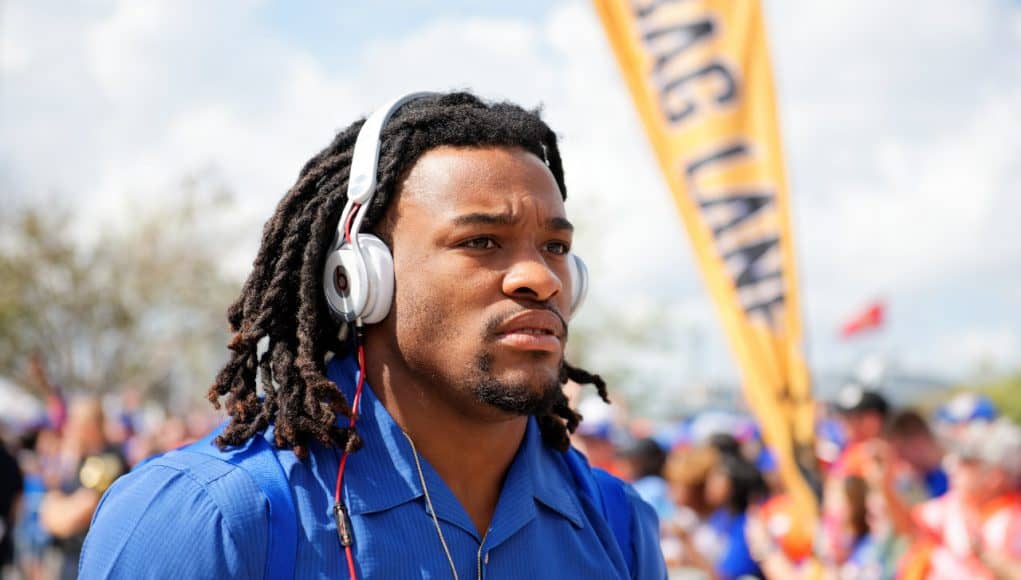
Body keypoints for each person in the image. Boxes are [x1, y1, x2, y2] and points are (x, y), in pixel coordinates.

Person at [81, 92, 667, 579]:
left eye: (556, 248)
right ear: (360, 278)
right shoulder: (209, 518)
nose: (539, 278)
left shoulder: (617, 525)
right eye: (481, 242)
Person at [40, 397, 126, 580]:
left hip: (92, 563)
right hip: (70, 560)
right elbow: (48, 510)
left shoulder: (109, 460)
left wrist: (57, 512)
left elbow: (77, 514)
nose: (68, 429)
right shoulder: (79, 459)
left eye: (74, 422)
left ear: (91, 426)